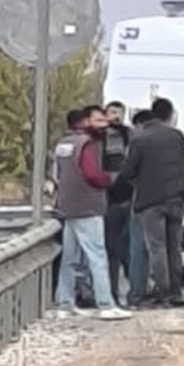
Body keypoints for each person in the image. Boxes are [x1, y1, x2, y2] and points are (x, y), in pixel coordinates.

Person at [52, 105, 131, 321]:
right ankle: (106, 304)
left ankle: (65, 303)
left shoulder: (63, 144)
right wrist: (109, 180)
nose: (104, 125)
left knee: (69, 257)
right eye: (99, 121)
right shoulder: (86, 144)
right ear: (85, 122)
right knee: (97, 255)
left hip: (67, 206)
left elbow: (56, 174)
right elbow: (92, 174)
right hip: (88, 206)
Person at [119, 97, 184, 306]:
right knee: (174, 247)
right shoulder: (178, 137)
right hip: (176, 199)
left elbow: (127, 171)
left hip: (150, 201)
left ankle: (163, 292)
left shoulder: (140, 139)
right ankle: (176, 291)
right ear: (170, 114)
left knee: (157, 247)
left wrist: (137, 181)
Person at [101, 101, 134, 304]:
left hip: (129, 198)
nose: (116, 117)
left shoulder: (129, 135)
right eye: (112, 112)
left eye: (120, 113)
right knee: (112, 249)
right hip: (109, 200)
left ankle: (133, 290)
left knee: (128, 250)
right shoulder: (100, 138)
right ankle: (112, 292)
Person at [125, 109, 154, 304]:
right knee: (160, 248)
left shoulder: (137, 143)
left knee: (137, 250)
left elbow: (128, 172)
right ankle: (161, 291)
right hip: (167, 201)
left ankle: (136, 293)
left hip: (140, 201)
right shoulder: (173, 139)